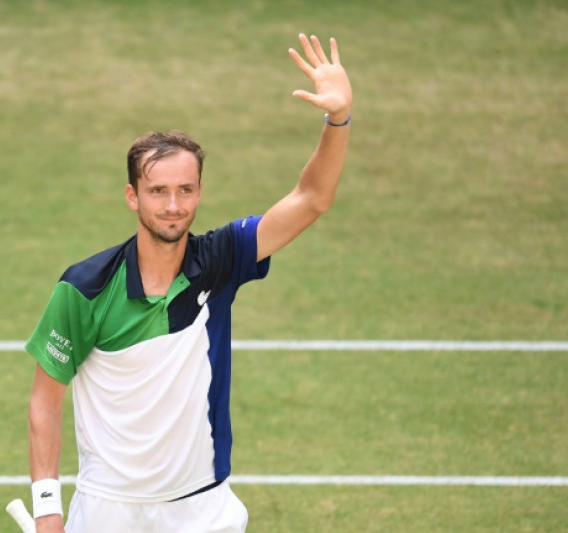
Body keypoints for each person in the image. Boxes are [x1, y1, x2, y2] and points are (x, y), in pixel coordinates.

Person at [24, 33, 353, 532]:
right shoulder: (85, 287)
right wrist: (48, 507)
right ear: (132, 197)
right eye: (157, 191)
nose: (173, 205)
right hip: (109, 508)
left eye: (185, 190)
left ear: (200, 193)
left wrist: (338, 119)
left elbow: (312, 198)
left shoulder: (221, 260)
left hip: (202, 509)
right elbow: (44, 399)